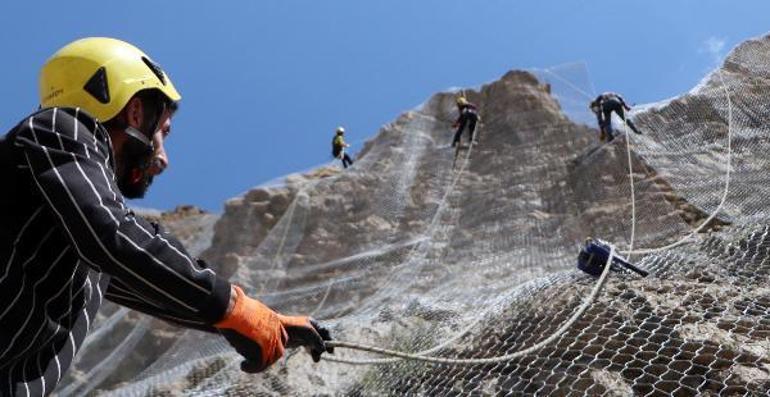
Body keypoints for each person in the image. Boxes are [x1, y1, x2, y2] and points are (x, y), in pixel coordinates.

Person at [0, 37, 332, 396]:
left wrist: (255, 321)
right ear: (136, 112)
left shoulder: (72, 228)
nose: (164, 160)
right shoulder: (57, 130)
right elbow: (115, 236)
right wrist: (232, 307)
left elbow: (141, 279)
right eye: (164, 132)